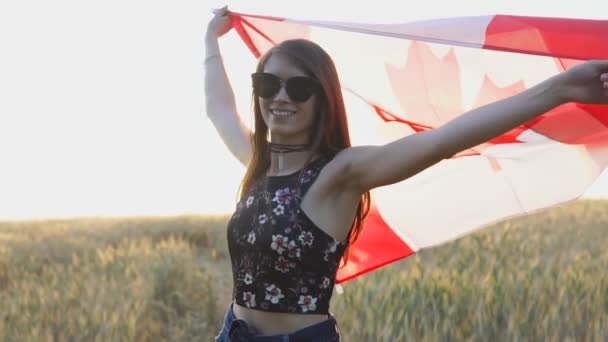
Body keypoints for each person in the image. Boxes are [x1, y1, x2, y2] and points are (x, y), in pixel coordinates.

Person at [205, 6, 608, 341]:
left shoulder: (339, 174)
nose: (280, 97)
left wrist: (559, 91)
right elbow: (219, 110)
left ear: (323, 99)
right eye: (267, 84)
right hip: (232, 332)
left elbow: (442, 141)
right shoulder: (257, 164)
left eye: (298, 89)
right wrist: (211, 40)